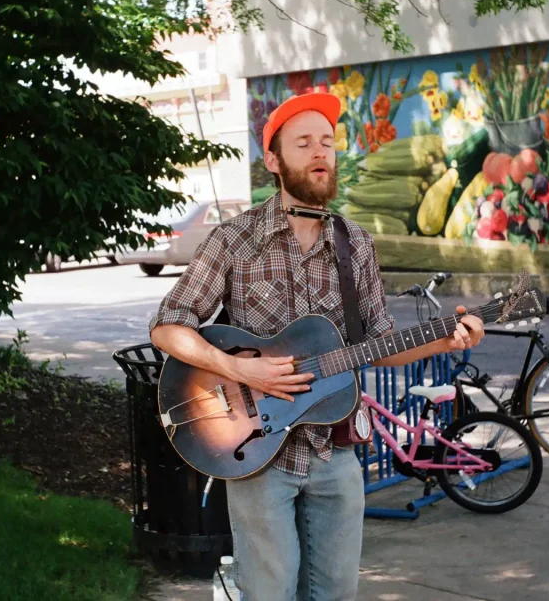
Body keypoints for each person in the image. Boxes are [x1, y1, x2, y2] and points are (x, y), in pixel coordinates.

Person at [148, 92, 485, 601]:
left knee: (336, 593)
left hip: (335, 452)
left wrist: (444, 336)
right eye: (303, 142)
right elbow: (168, 325)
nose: (319, 152)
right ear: (274, 160)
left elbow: (379, 345)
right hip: (257, 452)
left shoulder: (356, 244)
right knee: (271, 590)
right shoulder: (234, 241)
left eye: (326, 142)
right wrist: (241, 373)